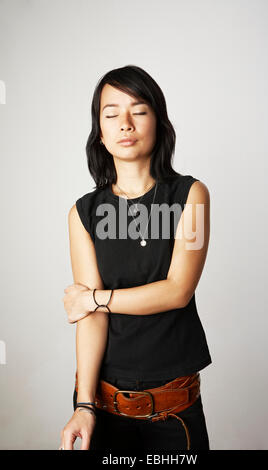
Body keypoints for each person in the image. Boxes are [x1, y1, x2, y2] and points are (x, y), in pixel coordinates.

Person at [59, 65, 212, 451]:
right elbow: (89, 319)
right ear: (100, 131)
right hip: (106, 404)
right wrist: (83, 404)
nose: (125, 123)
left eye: (138, 111)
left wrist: (96, 298)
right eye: (111, 114)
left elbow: (177, 291)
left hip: (174, 409)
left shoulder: (190, 195)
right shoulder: (83, 212)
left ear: (158, 121)